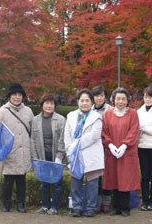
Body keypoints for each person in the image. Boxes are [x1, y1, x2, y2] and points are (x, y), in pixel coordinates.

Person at [0, 83, 34, 213]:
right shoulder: (2, 111)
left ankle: (21, 204)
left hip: (23, 151)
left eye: (19, 95)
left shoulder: (28, 111)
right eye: (14, 94)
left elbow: (33, 131)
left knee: (22, 181)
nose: (17, 97)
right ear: (9, 96)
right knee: (8, 181)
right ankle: (6, 204)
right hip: (8, 152)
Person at [64, 89, 104, 217]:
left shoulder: (97, 117)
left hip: (91, 153)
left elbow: (94, 136)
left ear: (91, 102)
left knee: (92, 183)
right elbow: (67, 135)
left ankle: (91, 207)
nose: (84, 103)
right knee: (76, 182)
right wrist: (70, 149)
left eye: (87, 100)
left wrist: (76, 144)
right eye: (82, 100)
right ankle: (77, 206)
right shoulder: (71, 116)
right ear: (78, 101)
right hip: (75, 154)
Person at [102, 87, 140, 217]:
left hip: (127, 153)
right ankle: (116, 207)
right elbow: (104, 132)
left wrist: (125, 145)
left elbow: (134, 131)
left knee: (126, 179)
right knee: (114, 178)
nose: (120, 101)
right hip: (112, 152)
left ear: (127, 100)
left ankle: (125, 207)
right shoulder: (107, 114)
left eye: (123, 99)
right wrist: (111, 145)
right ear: (113, 100)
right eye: (118, 98)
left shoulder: (133, 114)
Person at [31, 93, 66, 215]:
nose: (49, 106)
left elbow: (63, 139)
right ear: (42, 105)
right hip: (42, 155)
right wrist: (35, 158)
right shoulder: (35, 120)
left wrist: (59, 156)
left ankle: (55, 207)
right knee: (44, 182)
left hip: (55, 155)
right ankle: (45, 205)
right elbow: (33, 140)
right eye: (47, 103)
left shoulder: (61, 120)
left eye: (52, 103)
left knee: (57, 182)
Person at [91, 86, 113, 213]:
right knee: (96, 174)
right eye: (96, 95)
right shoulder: (90, 109)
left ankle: (106, 202)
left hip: (107, 146)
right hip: (94, 146)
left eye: (101, 95)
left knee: (107, 174)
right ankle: (97, 202)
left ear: (105, 97)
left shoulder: (110, 110)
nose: (99, 98)